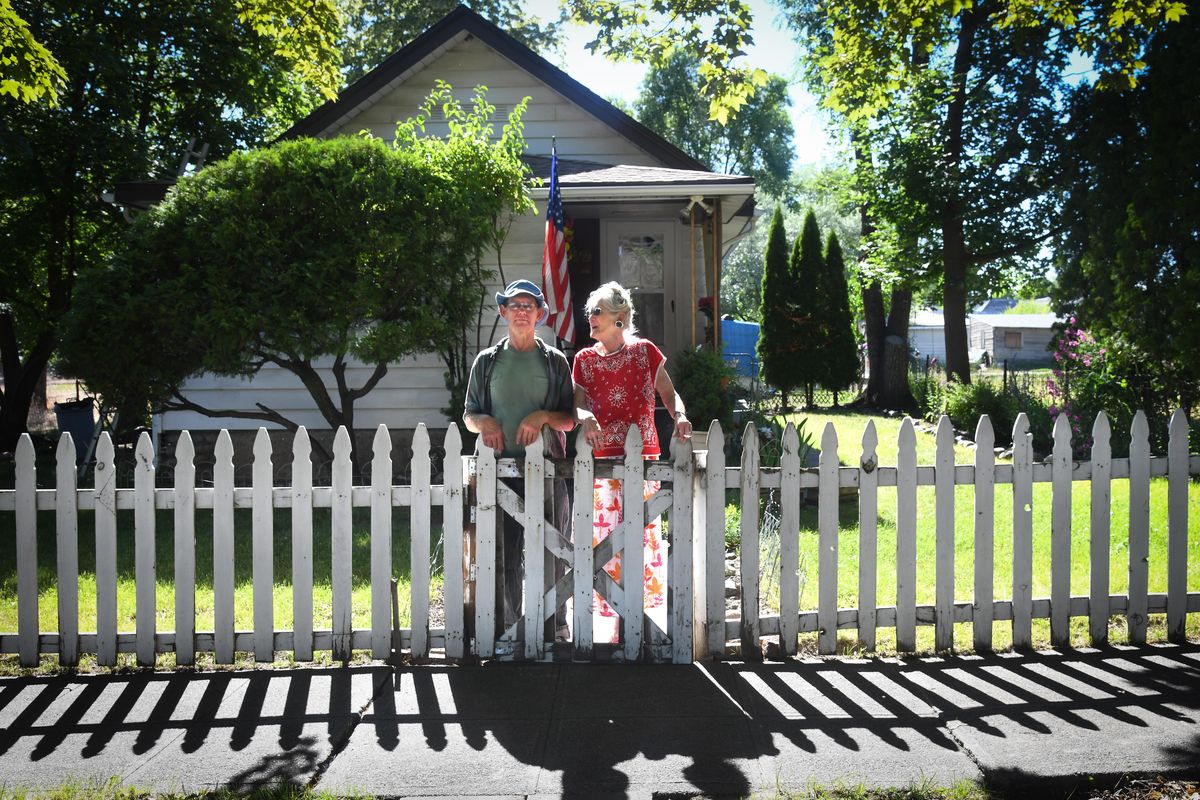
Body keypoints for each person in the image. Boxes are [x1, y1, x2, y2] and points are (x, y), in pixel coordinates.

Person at [572, 281, 691, 645]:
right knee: (605, 543)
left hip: (641, 463)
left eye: (599, 312)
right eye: (590, 311)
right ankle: (611, 628)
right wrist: (583, 416)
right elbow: (576, 403)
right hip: (602, 467)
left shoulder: (645, 353)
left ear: (620, 318)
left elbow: (669, 394)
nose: (591, 318)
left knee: (638, 540)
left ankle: (636, 624)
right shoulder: (584, 360)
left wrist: (681, 416)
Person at [463, 279, 575, 644]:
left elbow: (569, 419)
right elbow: (468, 415)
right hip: (500, 473)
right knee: (505, 552)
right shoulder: (487, 362)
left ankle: (553, 626)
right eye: (515, 305)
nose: (523, 311)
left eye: (530, 306)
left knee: (552, 550)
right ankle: (510, 626)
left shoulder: (554, 361)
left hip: (547, 471)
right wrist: (484, 422)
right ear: (503, 312)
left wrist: (542, 415)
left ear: (540, 315)